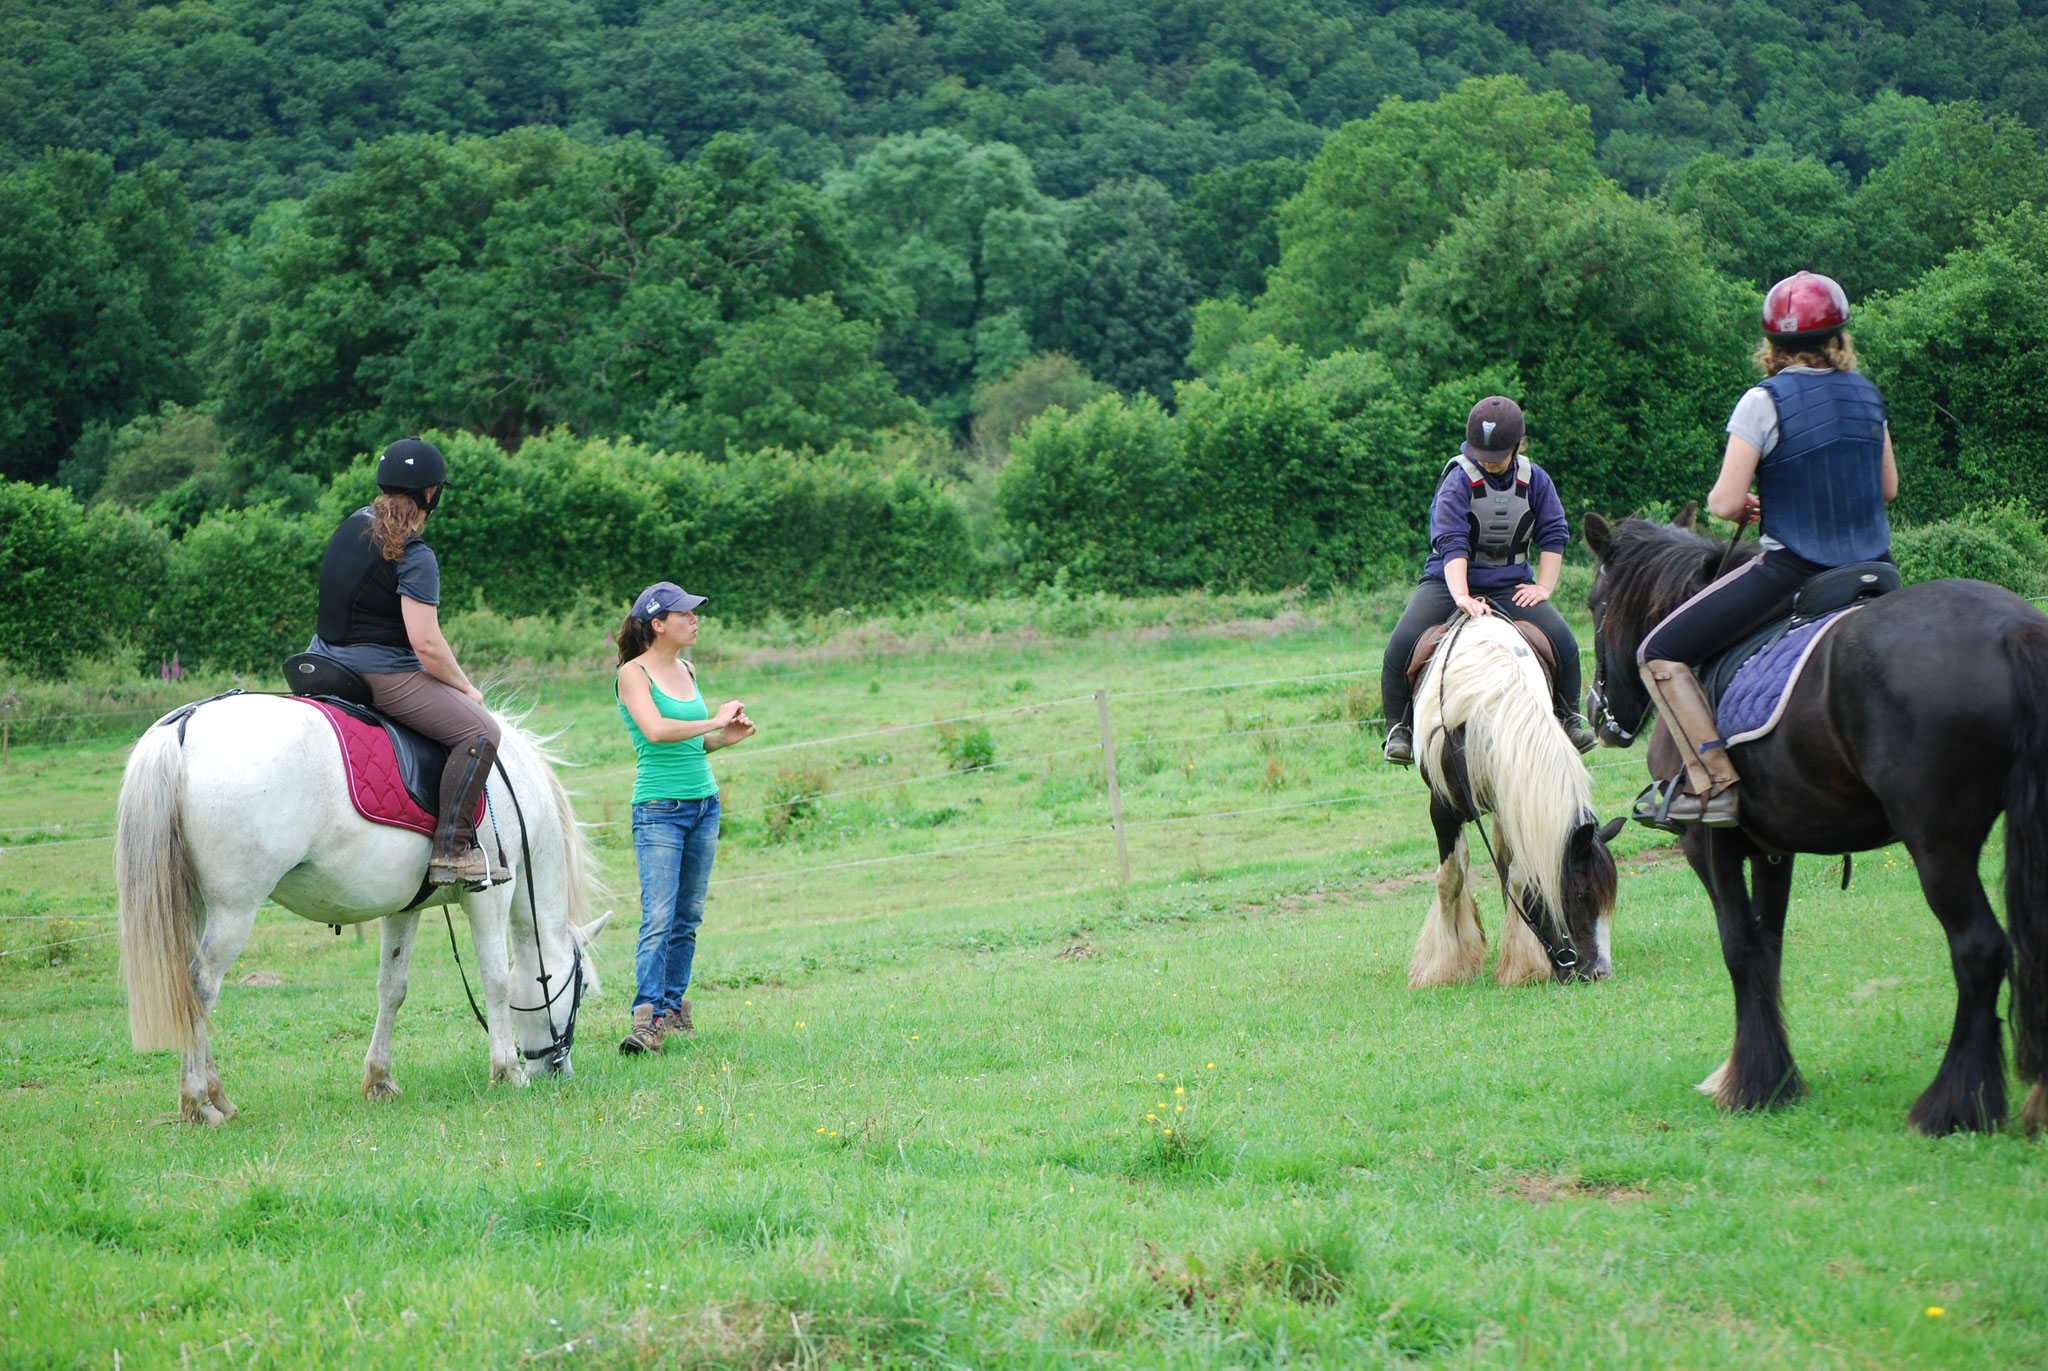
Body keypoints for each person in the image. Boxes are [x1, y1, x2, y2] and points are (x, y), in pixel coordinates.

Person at [1634, 270, 1898, 827]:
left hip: (1798, 571)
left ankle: (1713, 783)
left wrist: (1756, 502)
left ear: (1773, 345)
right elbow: (1887, 488)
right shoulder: (1867, 394)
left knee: (1658, 651)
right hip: (1877, 571)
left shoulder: (1763, 400)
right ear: (1839, 338)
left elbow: (1725, 504)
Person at [308, 437, 505, 886]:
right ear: (432, 494)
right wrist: (466, 687)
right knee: (481, 731)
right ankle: (452, 851)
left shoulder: (350, 526)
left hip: (319, 659)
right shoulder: (415, 554)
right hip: (377, 673)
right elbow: (427, 645)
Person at [1382, 396, 1596, 766]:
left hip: (1511, 583)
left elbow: (1555, 535)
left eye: (1497, 453)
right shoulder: (1457, 479)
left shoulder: (1536, 480)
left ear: (1519, 445)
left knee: (1564, 642)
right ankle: (1399, 729)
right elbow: (1451, 542)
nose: (1488, 459)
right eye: (1482, 452)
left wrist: (1543, 588)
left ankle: (1569, 719)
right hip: (1448, 582)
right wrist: (1461, 594)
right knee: (1400, 644)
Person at [614, 581, 755, 1056]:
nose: (695, 620)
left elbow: (692, 741)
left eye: (695, 613)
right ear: (658, 623)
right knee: (657, 916)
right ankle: (647, 1019)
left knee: (687, 917)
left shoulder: (688, 668)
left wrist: (723, 738)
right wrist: (714, 720)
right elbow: (655, 731)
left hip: (703, 804)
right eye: (685, 614)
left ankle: (673, 1009)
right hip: (659, 811)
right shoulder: (633, 674)